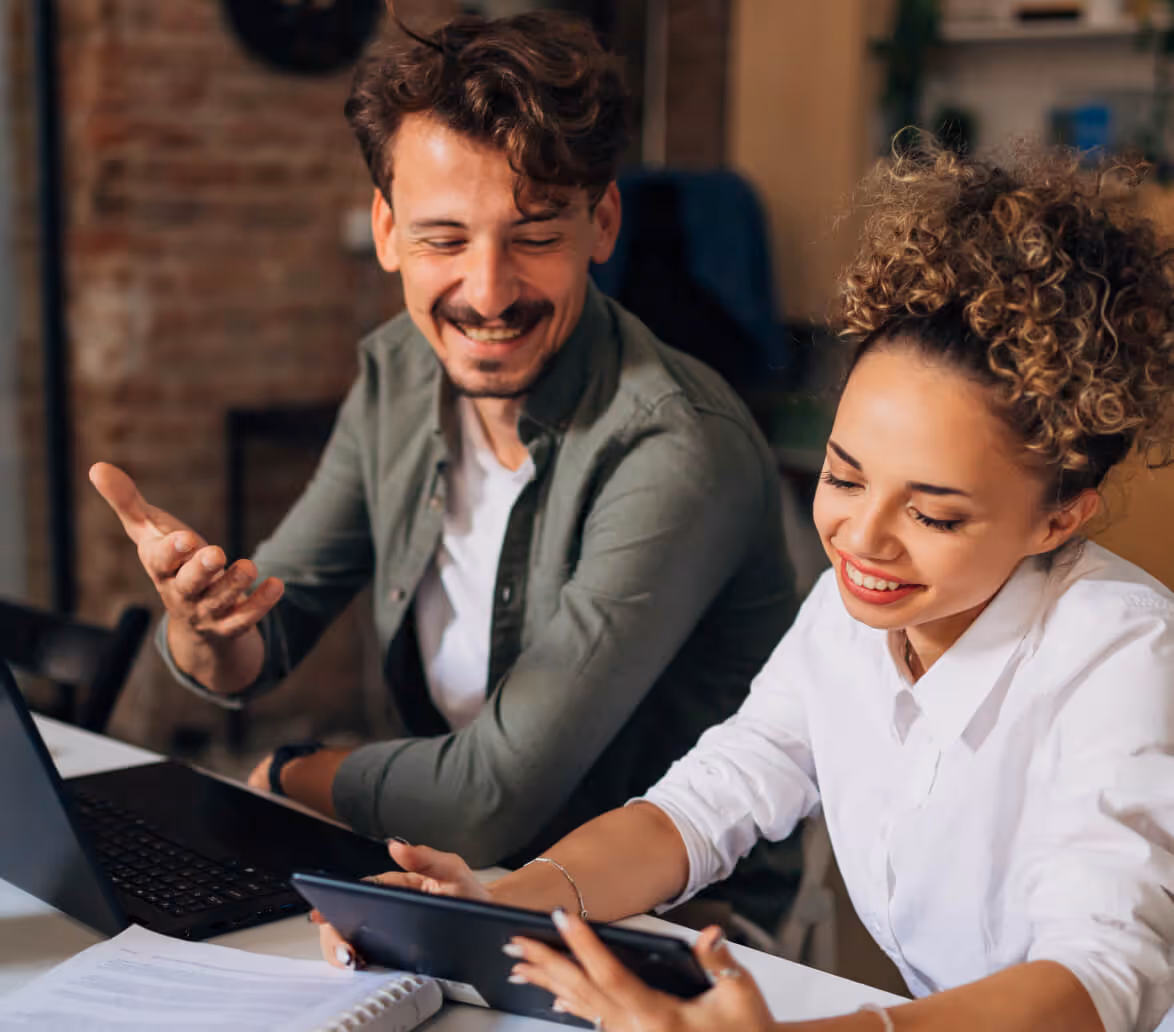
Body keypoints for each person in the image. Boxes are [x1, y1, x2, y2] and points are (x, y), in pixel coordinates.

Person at [317, 145, 1174, 1032]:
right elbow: (701, 804)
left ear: (1060, 518)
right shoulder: (856, 617)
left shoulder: (1124, 655)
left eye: (936, 516)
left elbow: (1098, 979)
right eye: (844, 479)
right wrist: (506, 905)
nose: (863, 540)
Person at [89, 10, 796, 891]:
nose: (489, 292)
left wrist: (289, 773)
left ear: (602, 223)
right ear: (387, 231)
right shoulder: (397, 375)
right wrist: (202, 628)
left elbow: (491, 797)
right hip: (454, 885)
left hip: (673, 933)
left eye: (535, 234)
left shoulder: (677, 446)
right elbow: (266, 630)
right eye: (444, 238)